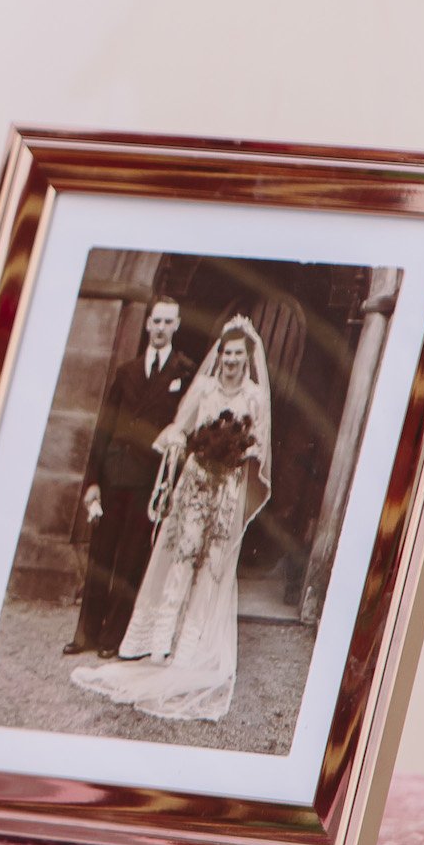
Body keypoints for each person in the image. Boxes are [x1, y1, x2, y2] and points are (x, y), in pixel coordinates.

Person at [72, 317, 274, 721]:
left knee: (212, 564)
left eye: (238, 355)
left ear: (247, 358)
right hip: (196, 484)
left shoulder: (254, 397)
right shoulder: (203, 388)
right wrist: (190, 445)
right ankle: (160, 641)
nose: (231, 361)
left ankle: (193, 646)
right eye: (226, 353)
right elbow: (175, 430)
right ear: (219, 356)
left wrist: (239, 452)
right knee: (182, 556)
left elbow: (260, 446)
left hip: (226, 489)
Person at [66, 298, 195, 657]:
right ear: (147, 324)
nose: (160, 328)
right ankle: (86, 634)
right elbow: (103, 429)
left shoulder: (184, 373)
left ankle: (112, 638)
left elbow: (186, 427)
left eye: (168, 322)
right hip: (112, 476)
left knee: (129, 562)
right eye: (155, 321)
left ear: (177, 325)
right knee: (100, 557)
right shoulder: (127, 372)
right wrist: (92, 481)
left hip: (147, 482)